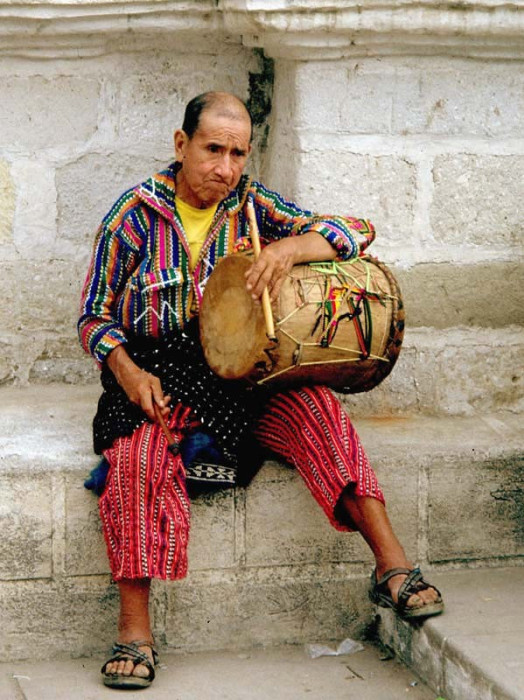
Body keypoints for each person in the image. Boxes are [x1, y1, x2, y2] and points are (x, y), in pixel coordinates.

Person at [79, 91, 443, 690]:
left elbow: (355, 231)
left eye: (238, 153)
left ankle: (393, 568)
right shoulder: (133, 216)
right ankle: (134, 633)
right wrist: (127, 372)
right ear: (181, 144)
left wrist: (288, 248)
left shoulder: (251, 204)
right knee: (137, 459)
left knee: (317, 407)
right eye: (212, 149)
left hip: (238, 375)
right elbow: (93, 314)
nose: (225, 167)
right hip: (152, 374)